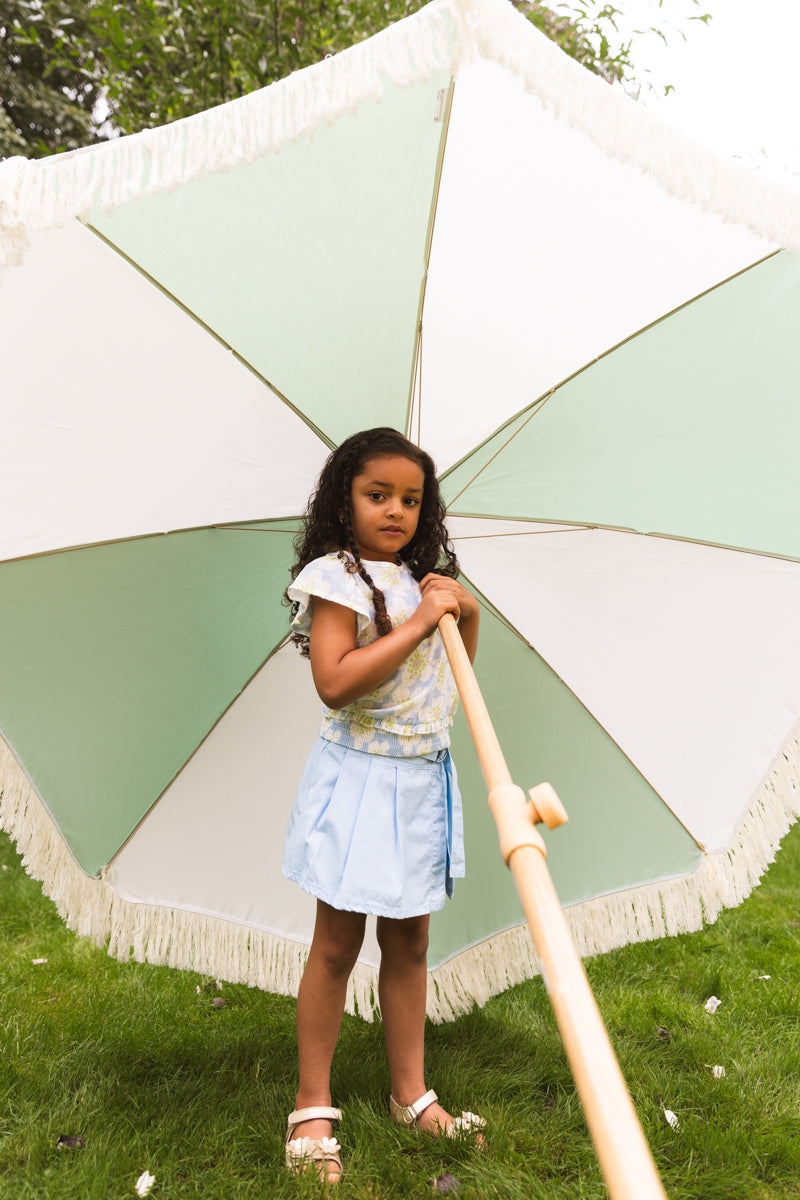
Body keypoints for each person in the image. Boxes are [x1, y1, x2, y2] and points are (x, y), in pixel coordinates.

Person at [281, 427, 484, 1183]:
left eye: (411, 499)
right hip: (363, 780)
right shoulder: (335, 579)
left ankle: (410, 1093)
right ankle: (312, 1105)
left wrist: (461, 614)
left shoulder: (421, 579)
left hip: (424, 780)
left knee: (409, 946)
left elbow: (454, 675)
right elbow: (335, 680)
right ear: (344, 500)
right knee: (337, 944)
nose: (395, 511)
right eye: (378, 495)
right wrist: (420, 624)